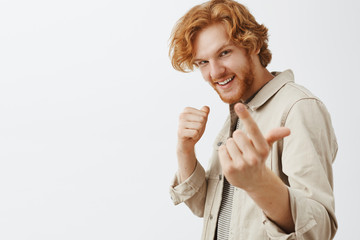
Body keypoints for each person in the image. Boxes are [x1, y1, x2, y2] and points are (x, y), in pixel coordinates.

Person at [168, 0, 337, 239]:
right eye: (203, 62)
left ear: (253, 45)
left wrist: (259, 184)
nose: (215, 72)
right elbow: (209, 208)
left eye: (224, 53)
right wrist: (185, 151)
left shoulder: (297, 108)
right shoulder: (238, 112)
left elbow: (320, 230)